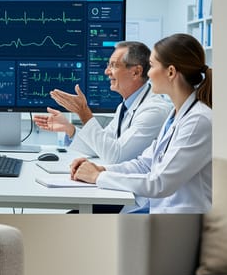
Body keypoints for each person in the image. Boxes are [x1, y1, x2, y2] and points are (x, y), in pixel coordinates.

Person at [70, 33, 212, 213]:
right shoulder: (176, 114)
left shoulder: (198, 120)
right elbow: (144, 164)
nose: (148, 73)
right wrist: (101, 168)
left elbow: (160, 183)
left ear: (170, 72)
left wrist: (99, 177)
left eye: (151, 66)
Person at [33, 41, 171, 164]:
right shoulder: (124, 107)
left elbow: (115, 156)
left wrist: (84, 113)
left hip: (138, 190)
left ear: (136, 72)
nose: (107, 72)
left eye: (113, 65)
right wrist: (69, 129)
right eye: (108, 65)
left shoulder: (154, 111)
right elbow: (100, 147)